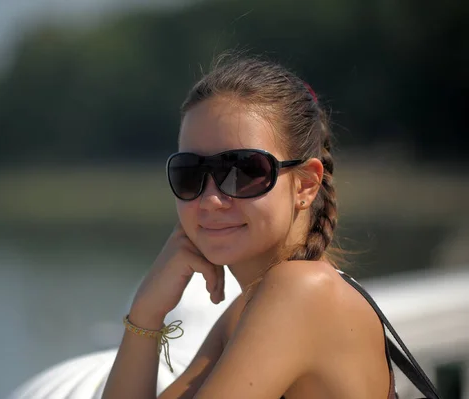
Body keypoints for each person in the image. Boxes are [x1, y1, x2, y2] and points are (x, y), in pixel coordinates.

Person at [101, 53, 399, 399]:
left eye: (244, 171)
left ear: (305, 185)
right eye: (190, 173)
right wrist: (146, 312)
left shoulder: (302, 291)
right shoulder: (245, 310)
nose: (210, 199)